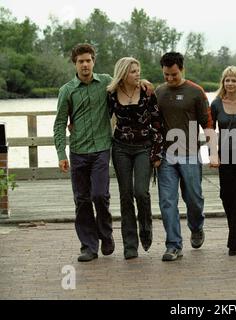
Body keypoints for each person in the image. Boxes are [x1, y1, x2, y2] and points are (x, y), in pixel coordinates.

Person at [53, 43, 153, 262]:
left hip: (101, 149)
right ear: (75, 64)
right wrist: (61, 154)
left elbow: (127, 81)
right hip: (78, 150)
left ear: (93, 61)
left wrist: (141, 81)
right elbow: (59, 123)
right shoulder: (67, 91)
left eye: (88, 60)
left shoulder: (107, 82)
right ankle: (89, 246)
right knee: (81, 199)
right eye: (81, 61)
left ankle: (106, 235)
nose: (85, 64)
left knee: (99, 195)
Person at [155, 52, 216, 261]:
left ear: (182, 69)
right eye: (166, 75)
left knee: (194, 199)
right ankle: (173, 245)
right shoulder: (159, 92)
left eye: (173, 74)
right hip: (166, 156)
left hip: (190, 153)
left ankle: (197, 227)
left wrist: (213, 152)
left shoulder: (196, 92)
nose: (170, 79)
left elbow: (207, 123)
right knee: (167, 201)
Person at [107, 57, 164, 260]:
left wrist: (157, 152)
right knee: (125, 195)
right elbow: (101, 118)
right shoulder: (112, 94)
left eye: (138, 70)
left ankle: (146, 230)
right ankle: (130, 244)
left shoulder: (148, 92)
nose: (137, 74)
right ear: (123, 74)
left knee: (141, 192)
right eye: (133, 71)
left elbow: (157, 122)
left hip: (143, 147)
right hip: (121, 148)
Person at [210, 66, 236, 256]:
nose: (230, 83)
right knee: (225, 194)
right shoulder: (216, 104)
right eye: (227, 80)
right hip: (224, 153)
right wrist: (213, 153)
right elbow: (209, 129)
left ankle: (234, 236)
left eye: (233, 80)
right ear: (223, 82)